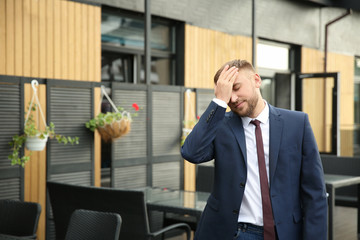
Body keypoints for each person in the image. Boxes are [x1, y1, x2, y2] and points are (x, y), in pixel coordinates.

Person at [181, 59, 327, 240]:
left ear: (256, 80)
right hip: (232, 232)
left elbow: (315, 191)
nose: (232, 99)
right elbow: (191, 152)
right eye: (227, 93)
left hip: (283, 232)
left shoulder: (297, 123)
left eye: (236, 87)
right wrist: (218, 101)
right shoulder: (221, 126)